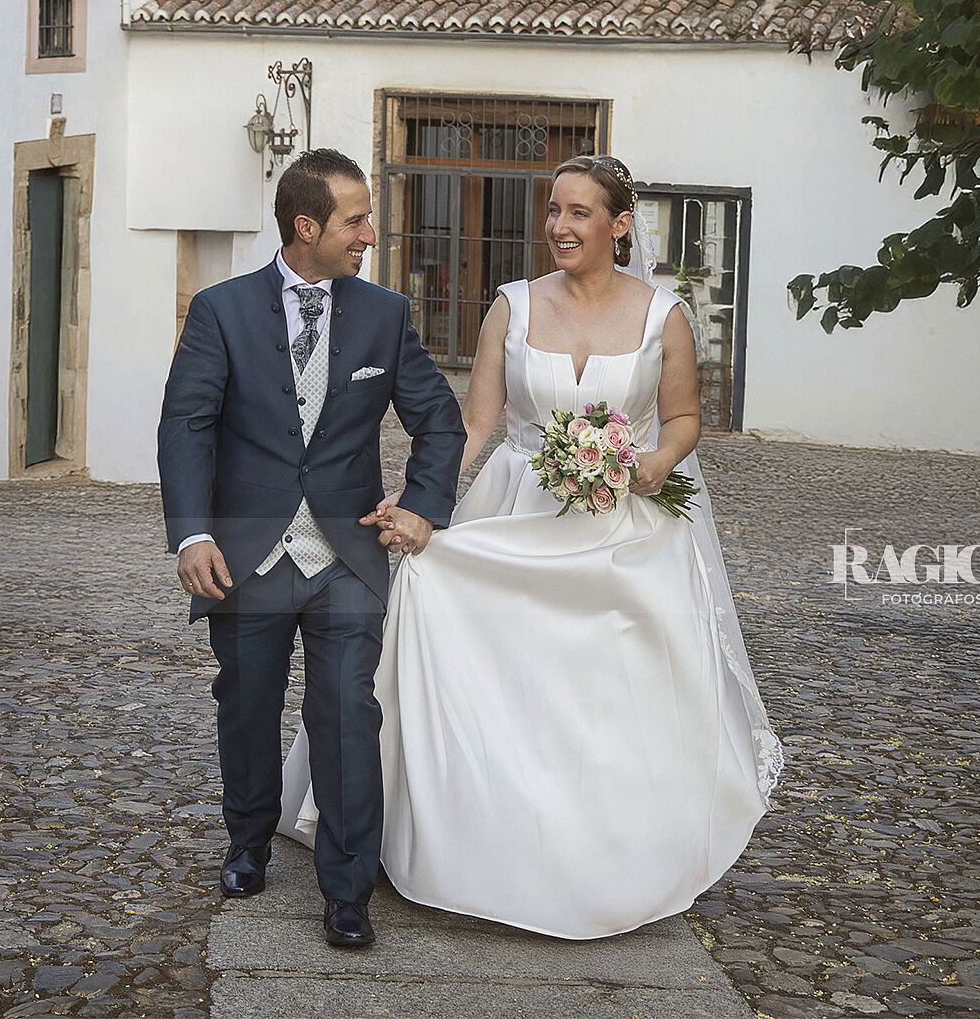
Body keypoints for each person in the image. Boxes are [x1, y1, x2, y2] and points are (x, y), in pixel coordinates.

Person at [278, 153, 782, 938]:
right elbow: (474, 422)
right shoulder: (511, 305)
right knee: (492, 666)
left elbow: (683, 417)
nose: (560, 226)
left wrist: (651, 460)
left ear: (619, 225)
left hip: (622, 529)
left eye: (580, 212)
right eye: (554, 210)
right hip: (515, 511)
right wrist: (424, 506)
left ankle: (607, 854)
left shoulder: (663, 315)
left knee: (607, 697)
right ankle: (483, 842)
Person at [158, 149, 464, 949]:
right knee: (247, 707)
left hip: (348, 556)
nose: (371, 232)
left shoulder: (383, 313)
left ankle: (347, 888)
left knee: (346, 718)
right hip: (246, 552)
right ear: (306, 225)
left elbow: (441, 422)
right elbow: (185, 425)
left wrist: (423, 508)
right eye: (356, 219)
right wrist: (192, 532)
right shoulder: (220, 311)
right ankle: (248, 841)